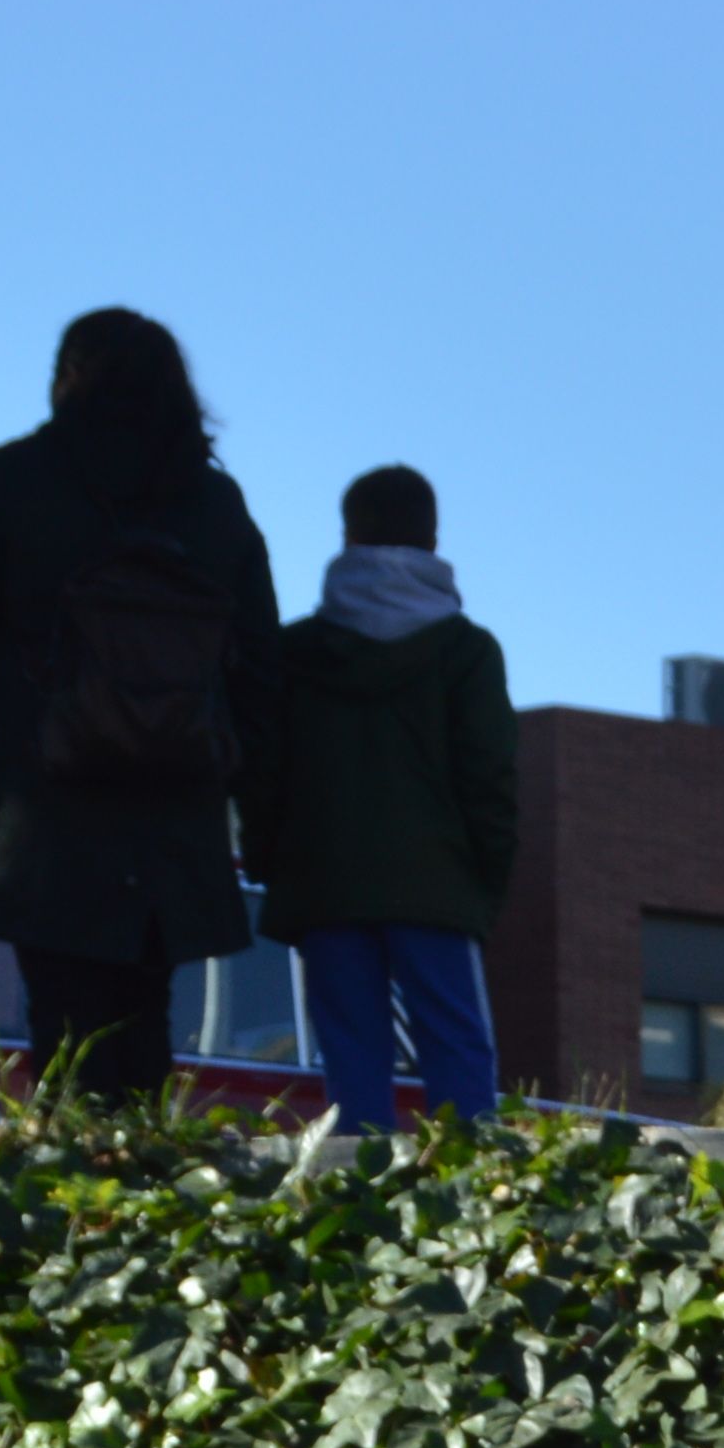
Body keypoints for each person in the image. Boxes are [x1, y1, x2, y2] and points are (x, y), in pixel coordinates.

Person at [0, 307, 279, 1106]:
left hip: (46, 799)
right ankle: (145, 1189)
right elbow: (260, 667)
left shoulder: (17, 479)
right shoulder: (213, 503)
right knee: (145, 1016)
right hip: (175, 804)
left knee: (63, 1018)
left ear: (68, 377)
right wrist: (260, 809)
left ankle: (75, 1196)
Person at [253, 463, 518, 1139]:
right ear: (434, 537)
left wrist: (269, 856)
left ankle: (357, 1206)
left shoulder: (296, 652)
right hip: (438, 882)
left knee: (351, 1061)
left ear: (347, 536)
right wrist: (486, 882)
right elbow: (489, 778)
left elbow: (264, 768)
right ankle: (474, 1204)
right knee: (459, 1055)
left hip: (324, 880)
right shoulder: (467, 653)